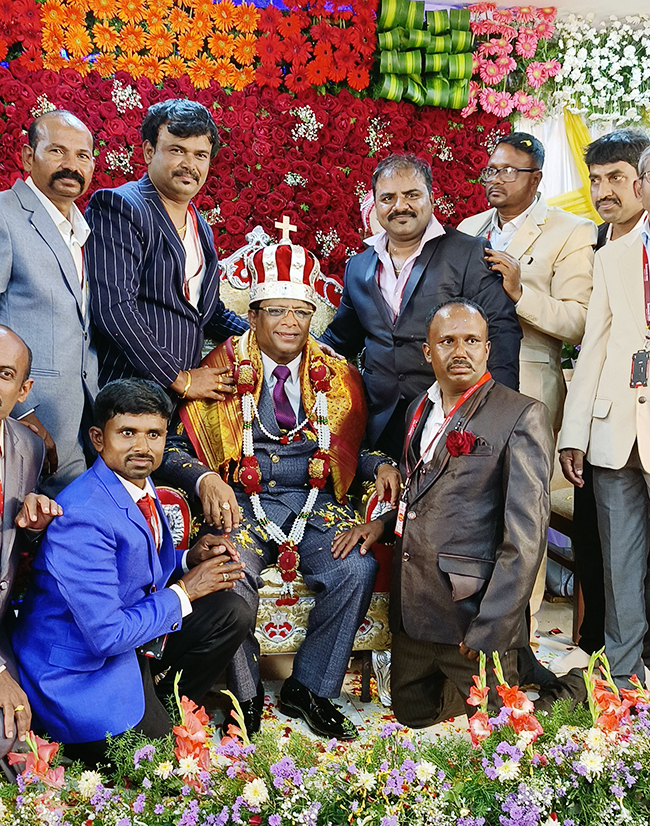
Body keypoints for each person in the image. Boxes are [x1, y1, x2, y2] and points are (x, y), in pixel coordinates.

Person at [157, 238, 401, 741]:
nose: (290, 321)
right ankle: (242, 694)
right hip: (238, 501)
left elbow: (358, 446)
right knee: (230, 571)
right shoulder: (217, 368)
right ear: (253, 315)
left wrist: (378, 464)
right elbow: (172, 448)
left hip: (315, 501)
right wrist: (203, 478)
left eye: (301, 311)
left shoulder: (337, 372)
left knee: (355, 566)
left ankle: (309, 688)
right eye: (277, 311)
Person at [333, 299, 584, 725]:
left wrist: (493, 627)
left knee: (503, 731)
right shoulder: (418, 408)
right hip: (415, 611)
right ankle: (519, 665)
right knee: (414, 720)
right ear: (428, 352)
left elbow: (525, 538)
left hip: (471, 616)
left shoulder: (520, 414)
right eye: (447, 341)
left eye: (471, 340)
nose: (460, 351)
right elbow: (423, 490)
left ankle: (573, 687)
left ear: (488, 349)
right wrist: (381, 523)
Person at [13, 379, 252, 764]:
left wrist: (188, 558)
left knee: (230, 611)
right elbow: (106, 636)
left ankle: (159, 706)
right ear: (97, 438)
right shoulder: (84, 515)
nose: (142, 447)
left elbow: (131, 563)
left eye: (153, 434)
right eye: (127, 433)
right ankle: (104, 734)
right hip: (81, 670)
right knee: (163, 769)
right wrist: (185, 591)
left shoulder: (136, 481)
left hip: (129, 640)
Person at [321, 153, 522, 461]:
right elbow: (340, 338)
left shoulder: (469, 253)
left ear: (431, 197)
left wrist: (496, 416)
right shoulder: (358, 267)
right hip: (380, 424)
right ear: (375, 204)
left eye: (411, 195)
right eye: (387, 198)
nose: (400, 206)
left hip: (453, 417)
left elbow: (501, 332)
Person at [552, 128, 649, 676]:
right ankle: (622, 683)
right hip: (616, 431)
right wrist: (573, 432)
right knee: (619, 565)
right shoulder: (614, 255)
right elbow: (593, 348)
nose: (609, 189)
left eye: (619, 177)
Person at [85, 99, 247, 401]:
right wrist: (179, 378)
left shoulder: (201, 226)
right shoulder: (121, 207)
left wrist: (275, 340)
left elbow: (208, 313)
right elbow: (114, 309)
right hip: (128, 393)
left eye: (200, 155)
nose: (190, 165)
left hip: (179, 403)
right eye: (177, 151)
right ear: (149, 151)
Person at [458, 132, 597, 434]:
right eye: (491, 170)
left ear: (536, 178)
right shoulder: (468, 228)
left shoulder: (572, 230)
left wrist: (520, 294)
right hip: (464, 383)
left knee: (524, 481)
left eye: (508, 171)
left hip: (529, 387)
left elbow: (579, 322)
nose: (496, 179)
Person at [0, 110, 98, 496]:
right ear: (27, 157)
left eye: (82, 155)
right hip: (23, 424)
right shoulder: (6, 215)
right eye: (57, 151)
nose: (71, 165)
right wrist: (15, 410)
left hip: (75, 422)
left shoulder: (78, 226)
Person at [0, 326, 62, 774]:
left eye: (3, 374)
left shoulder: (29, 447)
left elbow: (18, 550)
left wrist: (36, 528)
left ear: (23, 391)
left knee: (13, 738)